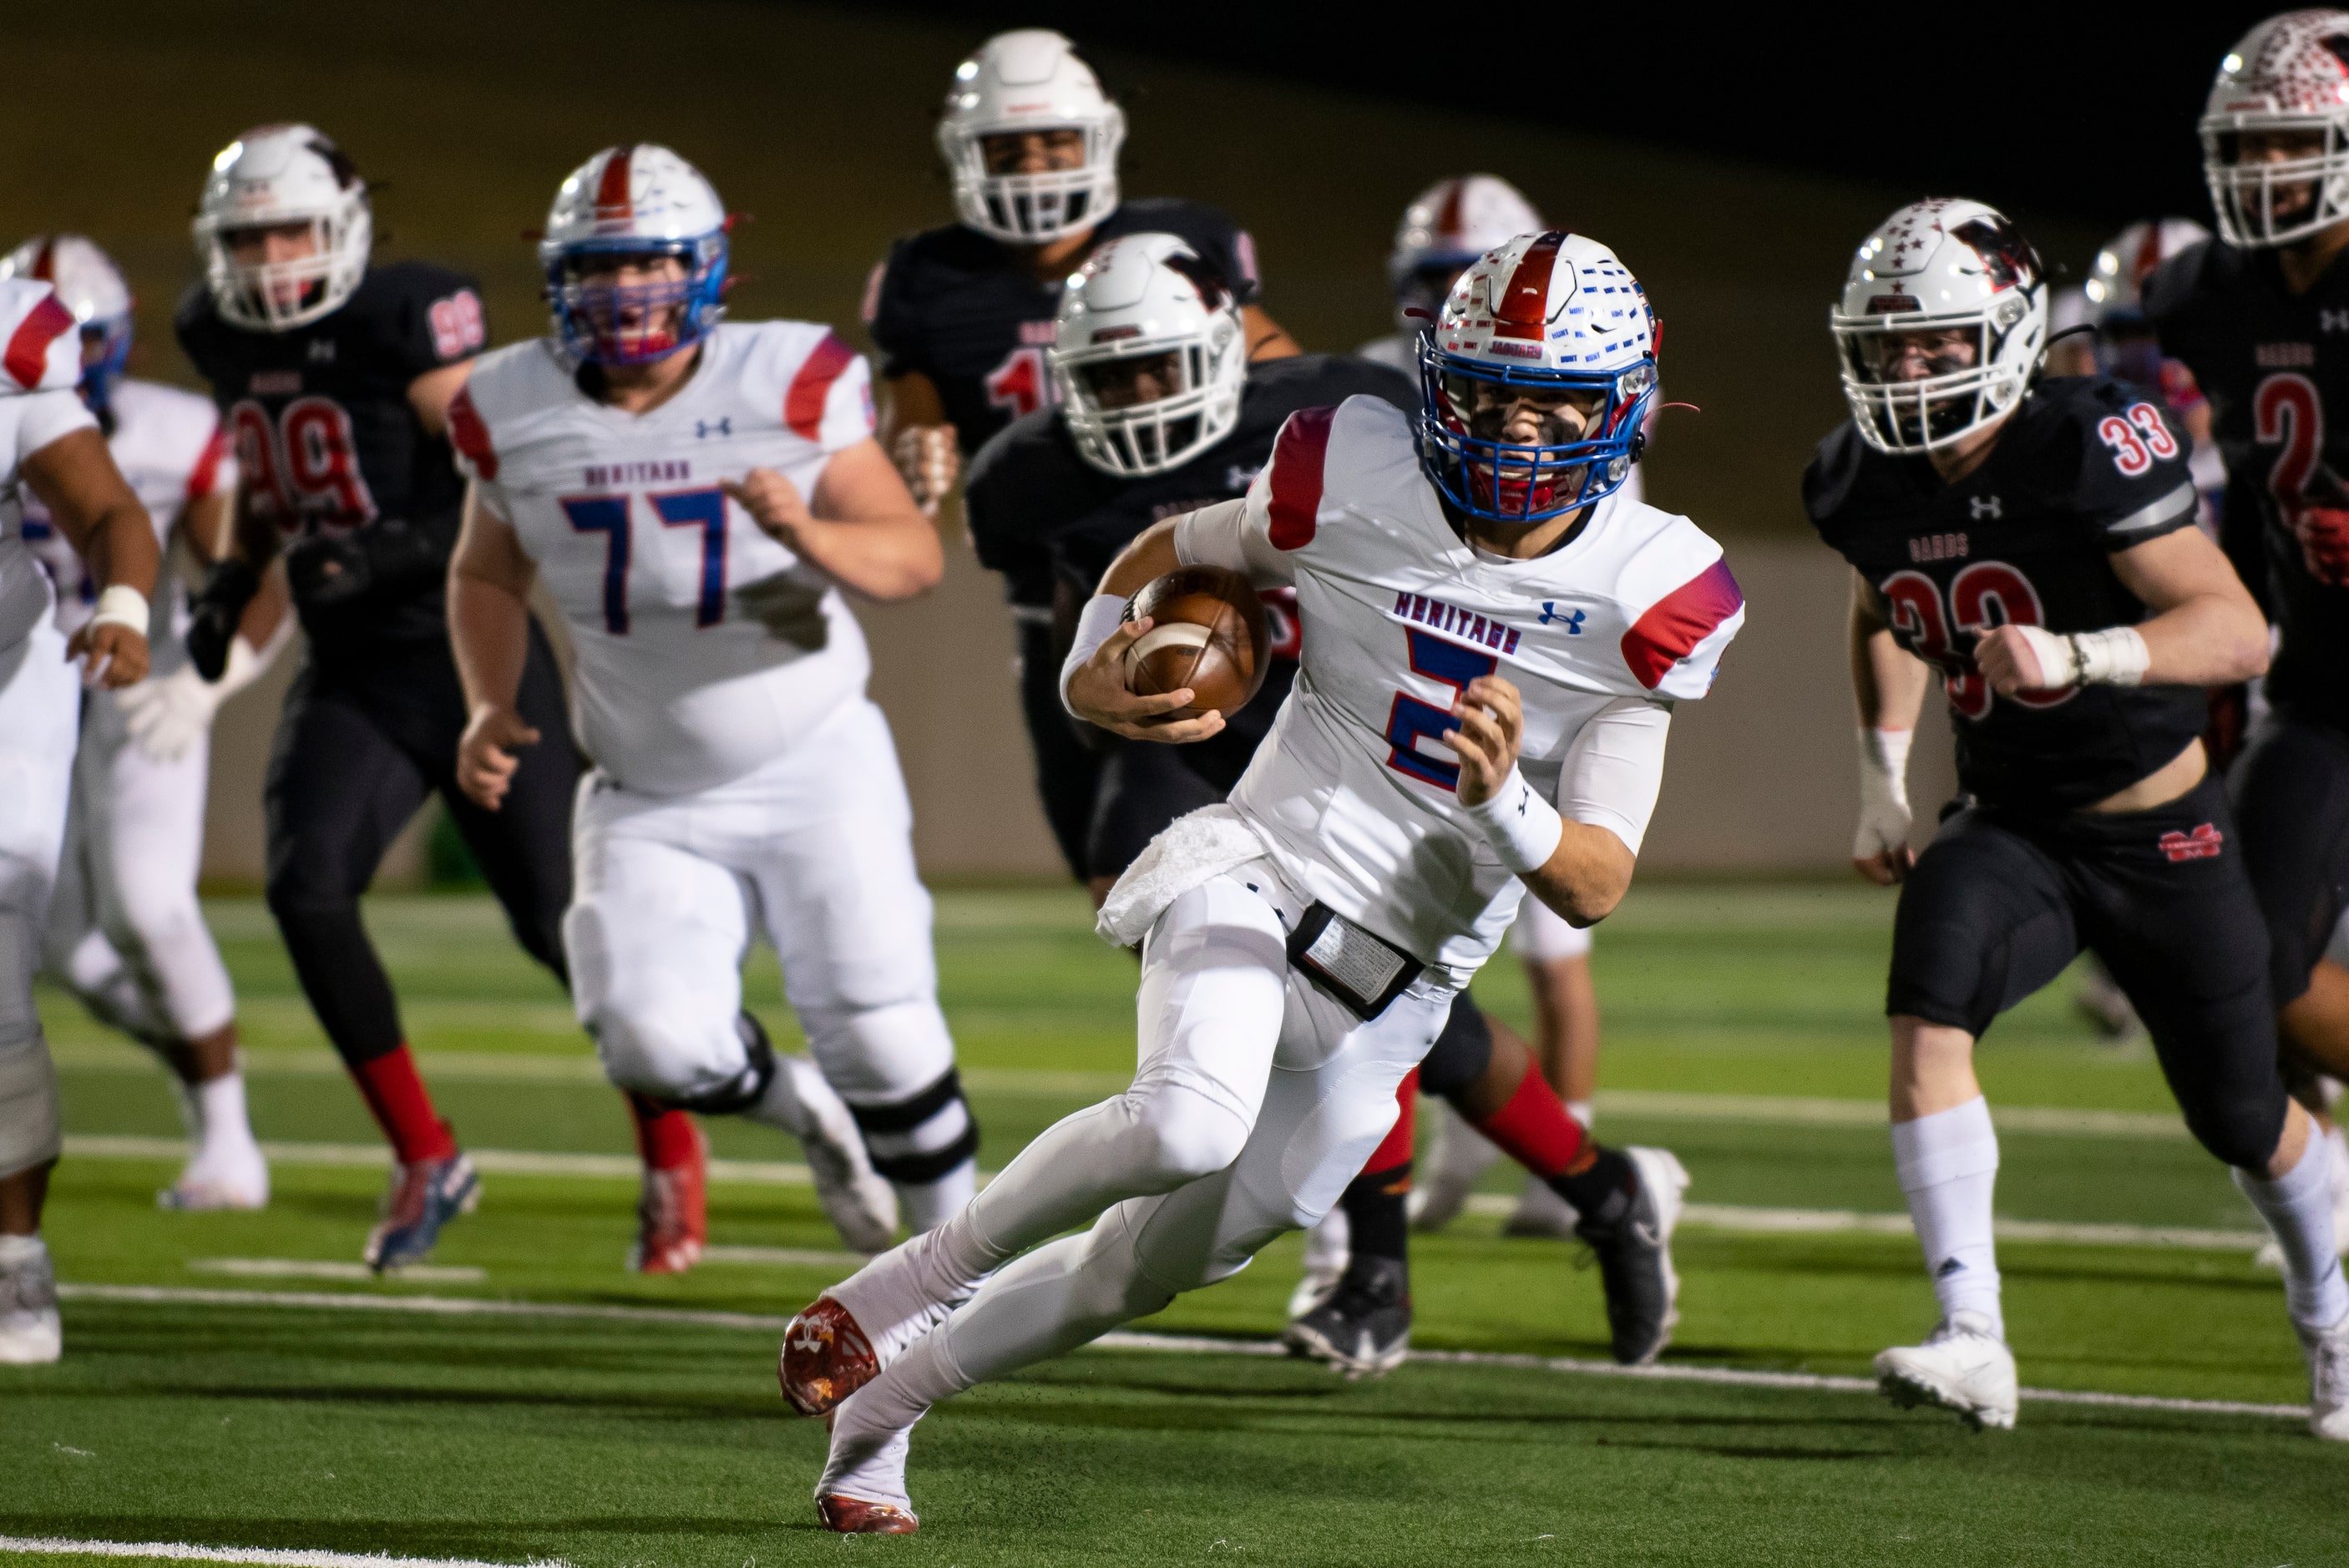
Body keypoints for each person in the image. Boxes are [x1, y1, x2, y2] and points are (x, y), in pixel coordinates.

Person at [782, 229, 1743, 1530]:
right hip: (1256, 873)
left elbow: (1594, 882)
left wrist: (1506, 803)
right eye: (1490, 393)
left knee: (1139, 1273)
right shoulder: (1349, 470)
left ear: (1617, 405)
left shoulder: (1653, 587)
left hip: (1393, 1001)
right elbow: (1164, 546)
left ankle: (879, 1418)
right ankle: (904, 1280)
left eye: (1553, 402)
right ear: (1440, 383)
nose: (1518, 431)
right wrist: (1088, 667)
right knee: (1186, 1119)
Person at [963, 231, 1653, 1378]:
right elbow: (1079, 621)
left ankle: (1450, 1236)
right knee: (1269, 993)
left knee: (1388, 1006)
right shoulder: (1033, 473)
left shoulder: (1335, 413)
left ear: (1229, 346)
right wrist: (1091, 702)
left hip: (1344, 717)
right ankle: (1491, 1217)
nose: (1137, 396)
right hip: (1188, 734)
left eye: (1159, 366)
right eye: (1109, 375)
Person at [1810, 195, 2346, 1439]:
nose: (1906, 366)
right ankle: (1973, 1334)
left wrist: (2086, 655)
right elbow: (1882, 604)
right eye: (1887, 343)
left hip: (2160, 827)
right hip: (2013, 820)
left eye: (1936, 342)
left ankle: (2329, 1308)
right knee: (1927, 994)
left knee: (2240, 1114)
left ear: (2003, 332)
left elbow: (2235, 627)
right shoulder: (1856, 474)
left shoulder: (2084, 438)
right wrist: (1882, 776)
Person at [173, 124, 701, 1272]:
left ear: (345, 230)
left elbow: (504, 483)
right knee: (305, 889)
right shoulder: (213, 329)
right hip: (353, 673)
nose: (266, 257)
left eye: (288, 231)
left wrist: (382, 554)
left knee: (566, 926)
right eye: (246, 235)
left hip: (471, 662)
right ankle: (424, 1151)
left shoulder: (401, 317)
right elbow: (269, 471)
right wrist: (232, 572)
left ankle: (671, 1147)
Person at [445, 144, 977, 1250]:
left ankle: (952, 1260)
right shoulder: (508, 402)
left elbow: (912, 558)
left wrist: (808, 531)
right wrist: (488, 701)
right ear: (560, 279)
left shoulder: (786, 378)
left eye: (648, 266)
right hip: (644, 786)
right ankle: (805, 1112)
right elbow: (486, 571)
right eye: (599, 270)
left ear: (705, 269)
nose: (625, 294)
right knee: (648, 1041)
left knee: (880, 1029)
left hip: (812, 758)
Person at [867, 28, 1299, 888]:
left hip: (1198, 582)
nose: (1031, 165)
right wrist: (911, 458)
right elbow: (909, 424)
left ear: (1098, 139)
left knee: (1182, 873)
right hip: (1056, 596)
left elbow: (1279, 389)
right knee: (1112, 883)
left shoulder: (1176, 243)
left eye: (1052, 140)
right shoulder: (928, 275)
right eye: (1006, 146)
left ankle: (1333, 1004)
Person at [1, 235, 286, 1211]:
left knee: (147, 903)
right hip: (30, 688)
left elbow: (246, 572)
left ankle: (229, 1140)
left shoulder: (174, 431)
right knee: (62, 949)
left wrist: (206, 687)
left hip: (139, 684)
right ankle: (209, 1077)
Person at [1363, 176, 1618, 1243]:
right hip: (1412, 689)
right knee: (1379, 951)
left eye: (1447, 280)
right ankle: (1435, 1190)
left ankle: (1575, 1166)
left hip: (1538, 697)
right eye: (1426, 282)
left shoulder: (1577, 405)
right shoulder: (1395, 392)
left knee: (1556, 950)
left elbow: (1605, 570)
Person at [2149, 11, 2349, 1286]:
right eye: (2252, 144)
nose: (2267, 171)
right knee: (2247, 968)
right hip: (2321, 687)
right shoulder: (2207, 294)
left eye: (2293, 143)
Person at [0, 271, 163, 1363]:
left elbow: (105, 507)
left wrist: (122, 600)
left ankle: (13, 1258)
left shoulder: (12, 326)